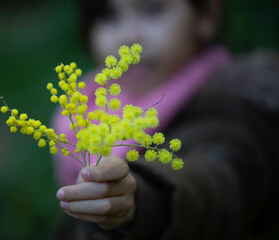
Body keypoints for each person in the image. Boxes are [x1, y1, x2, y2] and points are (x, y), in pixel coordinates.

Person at [51, 0, 279, 239]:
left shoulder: (231, 109)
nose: (129, 36)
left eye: (152, 9)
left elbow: (216, 182)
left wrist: (143, 199)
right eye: (107, 15)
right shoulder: (87, 106)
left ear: (207, 17)